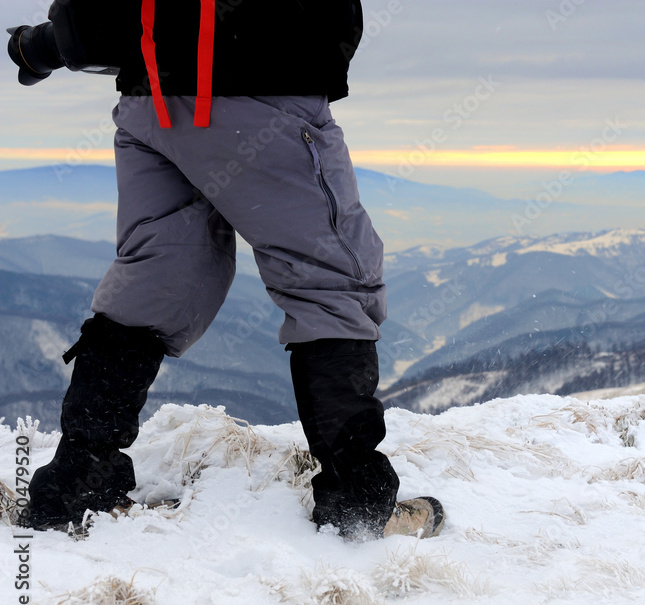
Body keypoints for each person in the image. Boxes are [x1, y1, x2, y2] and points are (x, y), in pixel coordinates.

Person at [7, 0, 444, 540]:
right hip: (263, 94)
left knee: (153, 283)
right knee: (330, 282)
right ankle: (358, 508)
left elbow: (98, 19)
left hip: (153, 103)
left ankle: (77, 489)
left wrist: (43, 46)